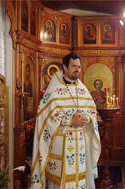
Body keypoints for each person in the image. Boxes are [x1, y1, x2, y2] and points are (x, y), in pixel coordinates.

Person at [31, 53, 101, 189]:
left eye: (79, 66)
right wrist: (69, 120)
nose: (77, 69)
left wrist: (87, 118)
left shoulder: (82, 89)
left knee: (81, 180)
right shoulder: (54, 90)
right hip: (60, 143)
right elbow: (45, 117)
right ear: (64, 67)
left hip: (80, 143)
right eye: (74, 66)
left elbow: (92, 110)